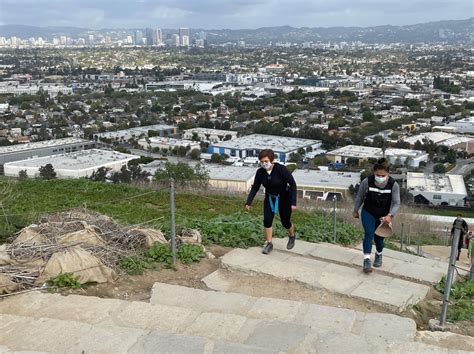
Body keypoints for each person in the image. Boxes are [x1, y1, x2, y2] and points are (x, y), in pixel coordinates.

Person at [353, 158, 400, 273]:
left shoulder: (393, 185)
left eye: (383, 175)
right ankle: (367, 260)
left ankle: (379, 254)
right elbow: (359, 197)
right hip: (368, 211)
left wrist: (390, 215)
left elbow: (396, 203)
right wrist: (355, 210)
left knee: (379, 238)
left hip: (383, 215)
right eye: (378, 175)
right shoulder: (366, 182)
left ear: (388, 174)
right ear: (374, 173)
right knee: (368, 234)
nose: (380, 177)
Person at [245, 149, 297, 254]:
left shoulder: (281, 169)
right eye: (262, 162)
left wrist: (293, 202)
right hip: (270, 198)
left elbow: (293, 185)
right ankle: (269, 243)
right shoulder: (260, 172)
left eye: (266, 161)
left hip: (284, 198)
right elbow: (255, 187)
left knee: (285, 222)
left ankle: (292, 235)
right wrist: (248, 202)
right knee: (267, 221)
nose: (264, 164)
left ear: (272, 160)